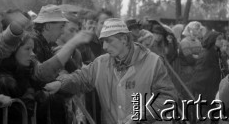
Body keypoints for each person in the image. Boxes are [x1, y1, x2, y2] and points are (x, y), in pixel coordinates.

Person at [45, 18, 177, 124]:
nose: (104, 46)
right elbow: (80, 78)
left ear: (124, 39)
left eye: (108, 41)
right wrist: (60, 84)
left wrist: (141, 115)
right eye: (102, 41)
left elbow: (167, 97)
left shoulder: (153, 62)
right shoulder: (101, 62)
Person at [32, 4, 69, 124]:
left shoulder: (47, 45)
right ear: (47, 26)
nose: (63, 32)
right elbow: (39, 78)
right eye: (61, 27)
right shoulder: (33, 43)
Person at [189, 31, 224, 122]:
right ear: (212, 40)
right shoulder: (207, 55)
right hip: (205, 94)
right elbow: (200, 76)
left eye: (222, 39)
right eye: (219, 39)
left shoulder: (217, 53)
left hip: (214, 92)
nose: (222, 41)